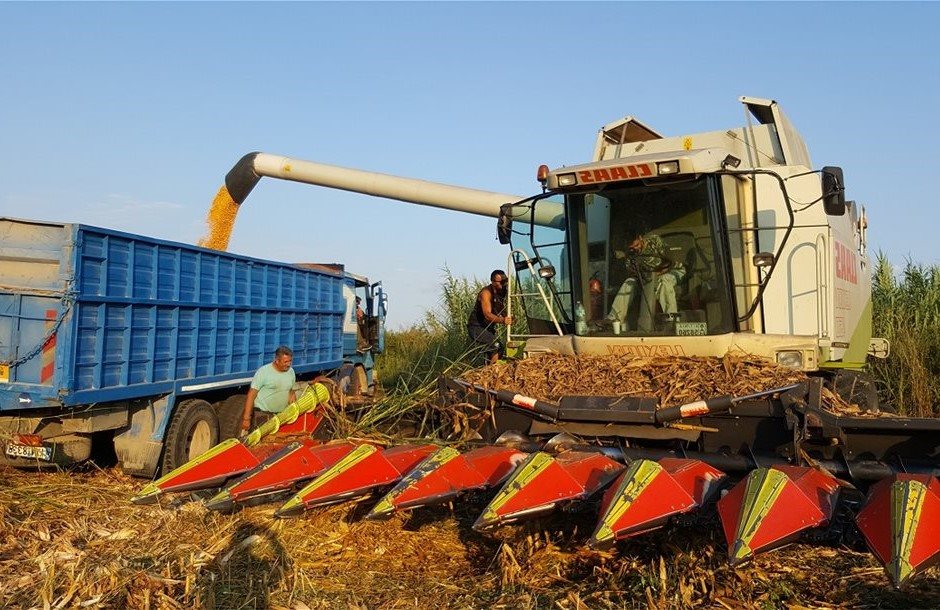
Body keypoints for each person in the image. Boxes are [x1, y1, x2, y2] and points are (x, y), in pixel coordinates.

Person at [607, 232, 685, 332]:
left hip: (672, 270)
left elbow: (670, 259)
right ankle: (614, 319)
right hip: (648, 277)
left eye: (637, 245)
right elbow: (632, 272)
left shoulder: (655, 241)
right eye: (632, 247)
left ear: (640, 238)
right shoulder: (630, 255)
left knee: (664, 281)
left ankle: (671, 319)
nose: (636, 248)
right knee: (629, 282)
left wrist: (657, 273)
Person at [241, 346, 297, 433]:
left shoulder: (291, 372)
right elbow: (251, 395)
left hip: (280, 416)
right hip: (263, 416)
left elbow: (290, 391)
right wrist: (246, 418)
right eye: (285, 362)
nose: (289, 364)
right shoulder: (263, 372)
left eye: (290, 361)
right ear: (277, 360)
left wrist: (292, 404)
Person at [467, 270, 513, 364]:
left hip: (488, 328)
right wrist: (503, 320)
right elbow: (487, 314)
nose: (504, 284)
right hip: (476, 327)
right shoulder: (486, 293)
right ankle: (490, 374)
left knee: (500, 348)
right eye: (501, 282)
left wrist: (510, 317)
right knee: (495, 347)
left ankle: (488, 369)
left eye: (505, 281)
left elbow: (501, 308)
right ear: (493, 282)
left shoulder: (501, 292)